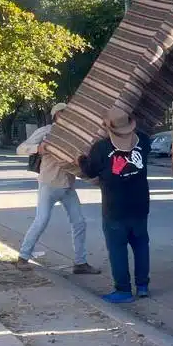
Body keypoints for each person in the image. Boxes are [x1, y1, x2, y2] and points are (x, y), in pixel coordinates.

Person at [16, 103, 101, 275]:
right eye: (62, 113)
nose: (66, 116)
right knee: (41, 220)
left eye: (68, 113)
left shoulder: (75, 135)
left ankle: (80, 263)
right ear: (56, 115)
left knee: (79, 222)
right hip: (48, 184)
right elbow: (20, 149)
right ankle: (23, 257)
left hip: (68, 186)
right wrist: (38, 148)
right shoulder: (46, 131)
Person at [79, 109, 151, 304]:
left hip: (115, 209)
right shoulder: (143, 141)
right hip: (140, 205)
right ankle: (142, 286)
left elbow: (89, 170)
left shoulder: (101, 148)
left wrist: (81, 160)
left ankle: (123, 291)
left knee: (118, 249)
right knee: (141, 245)